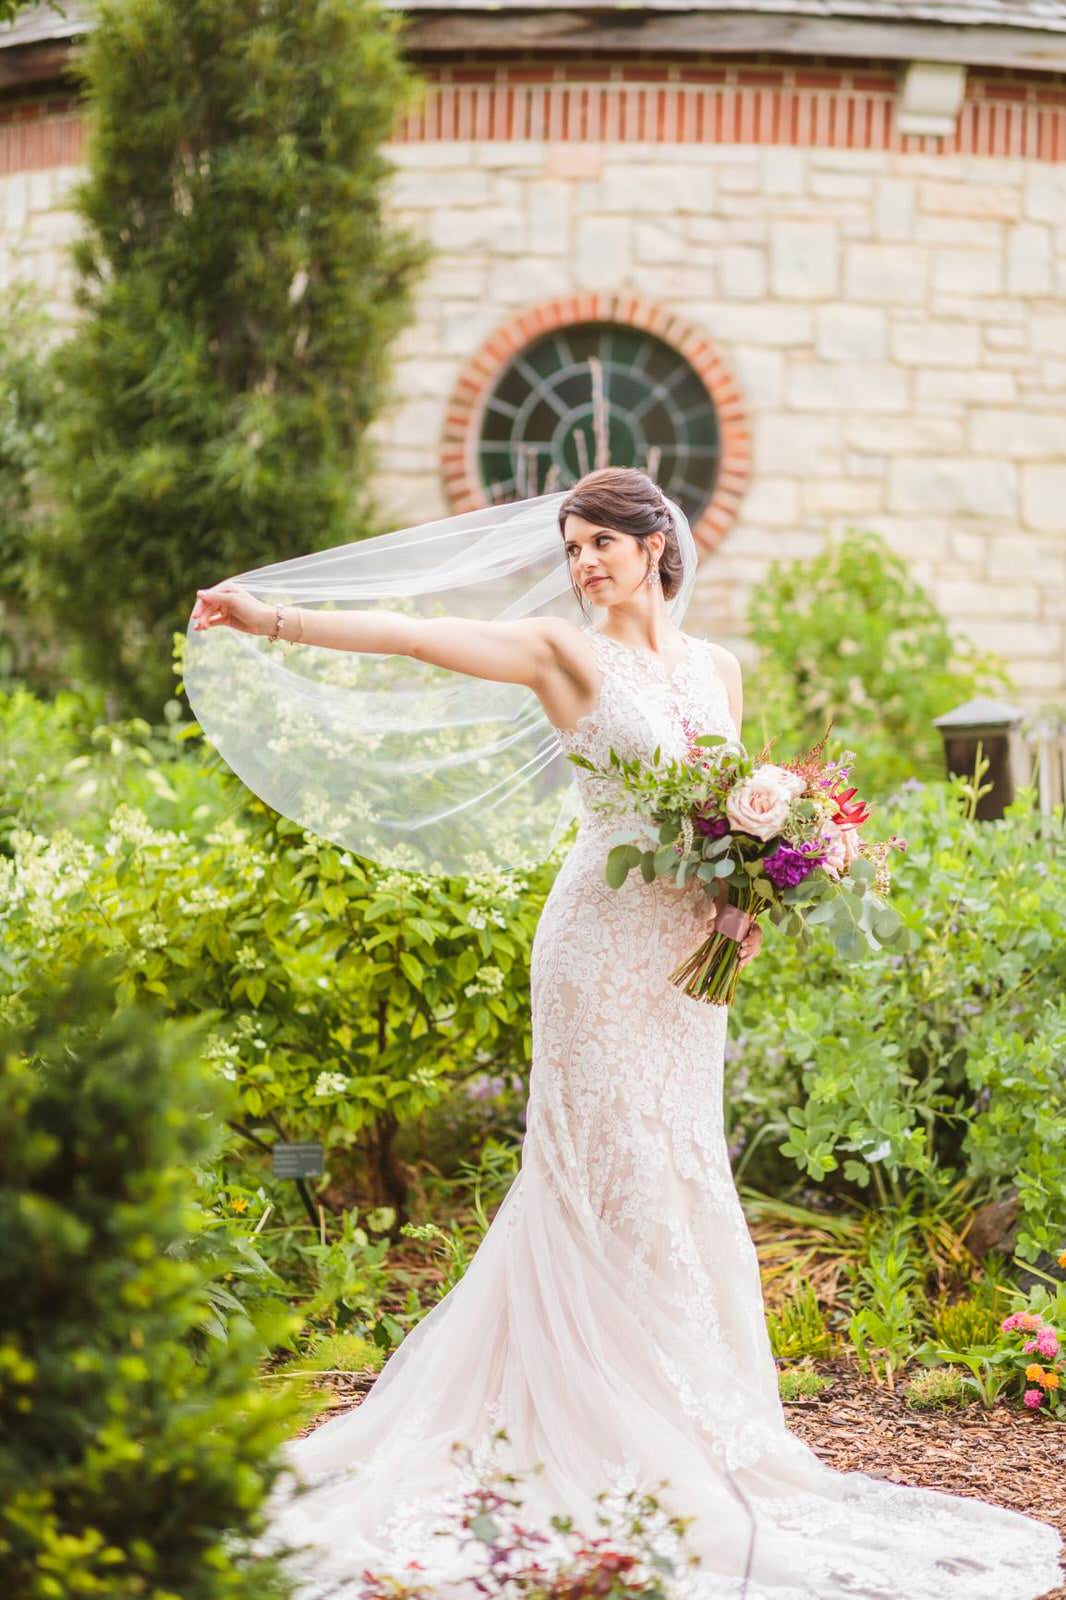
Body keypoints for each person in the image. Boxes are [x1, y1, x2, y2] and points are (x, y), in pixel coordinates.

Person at [191, 468, 1063, 1600]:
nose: (583, 562)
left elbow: (724, 817)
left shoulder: (718, 670)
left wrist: (748, 897)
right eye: (570, 547)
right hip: (596, 949)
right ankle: (596, 1423)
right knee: (606, 1170)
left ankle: (688, 1411)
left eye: (600, 540)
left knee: (680, 1161)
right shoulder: (567, 657)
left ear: (657, 543)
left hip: (682, 971)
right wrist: (274, 617)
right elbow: (418, 638)